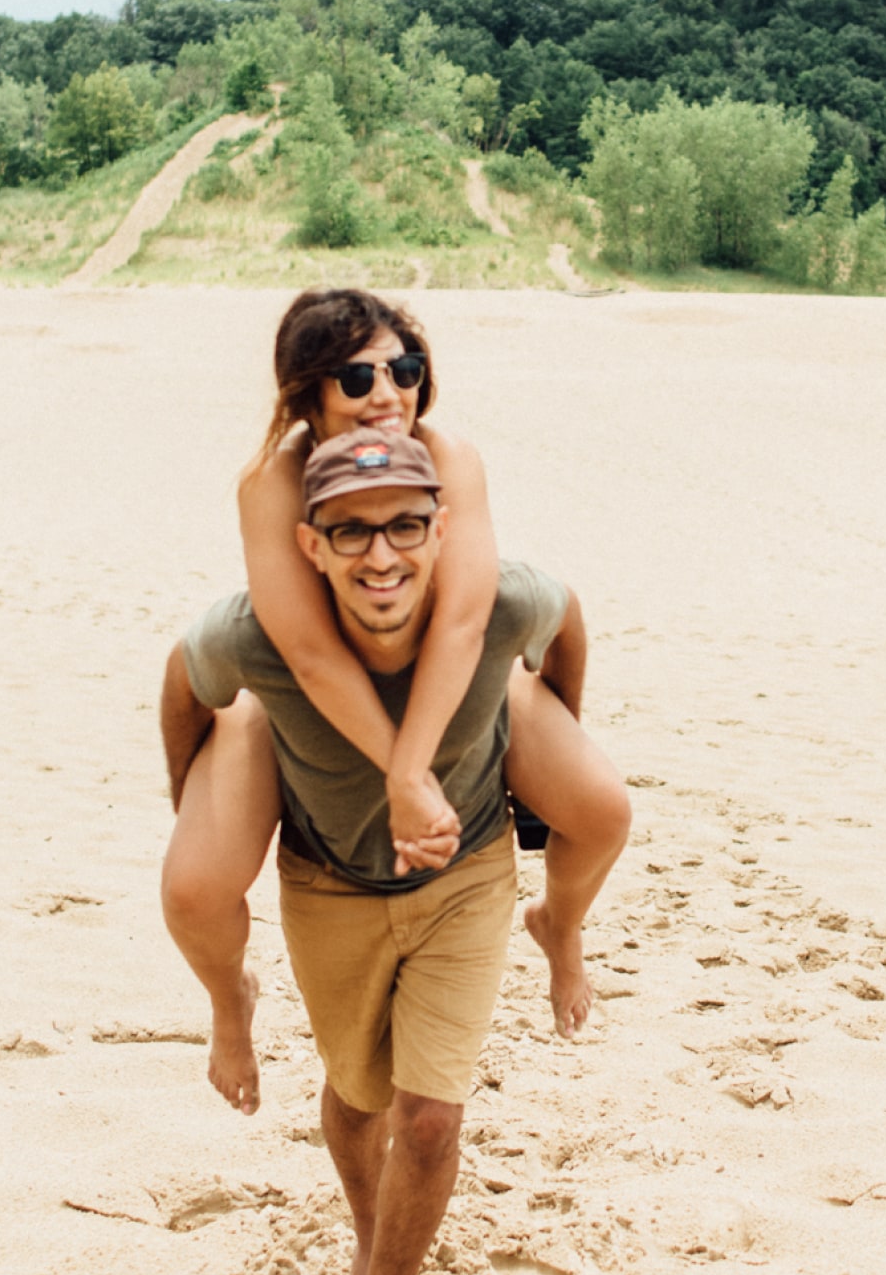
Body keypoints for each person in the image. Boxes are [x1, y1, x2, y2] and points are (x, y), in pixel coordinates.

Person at [158, 427, 626, 1275]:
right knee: (357, 1097)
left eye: (406, 527)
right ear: (311, 545)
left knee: (426, 1120)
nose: (382, 556)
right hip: (331, 882)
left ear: (441, 528)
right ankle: (369, 1231)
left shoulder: (494, 599)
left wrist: (547, 740)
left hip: (467, 878)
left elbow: (567, 618)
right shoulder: (256, 632)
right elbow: (183, 681)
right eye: (352, 532)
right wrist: (194, 797)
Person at [166, 289, 630, 1121]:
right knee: (195, 890)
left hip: (450, 677)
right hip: (308, 698)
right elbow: (307, 652)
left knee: (601, 812)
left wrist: (493, 746)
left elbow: (463, 620)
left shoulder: (449, 454)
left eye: (404, 369)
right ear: (306, 394)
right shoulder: (272, 482)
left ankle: (559, 924)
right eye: (356, 377)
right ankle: (231, 1001)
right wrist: (192, 798)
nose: (388, 394)